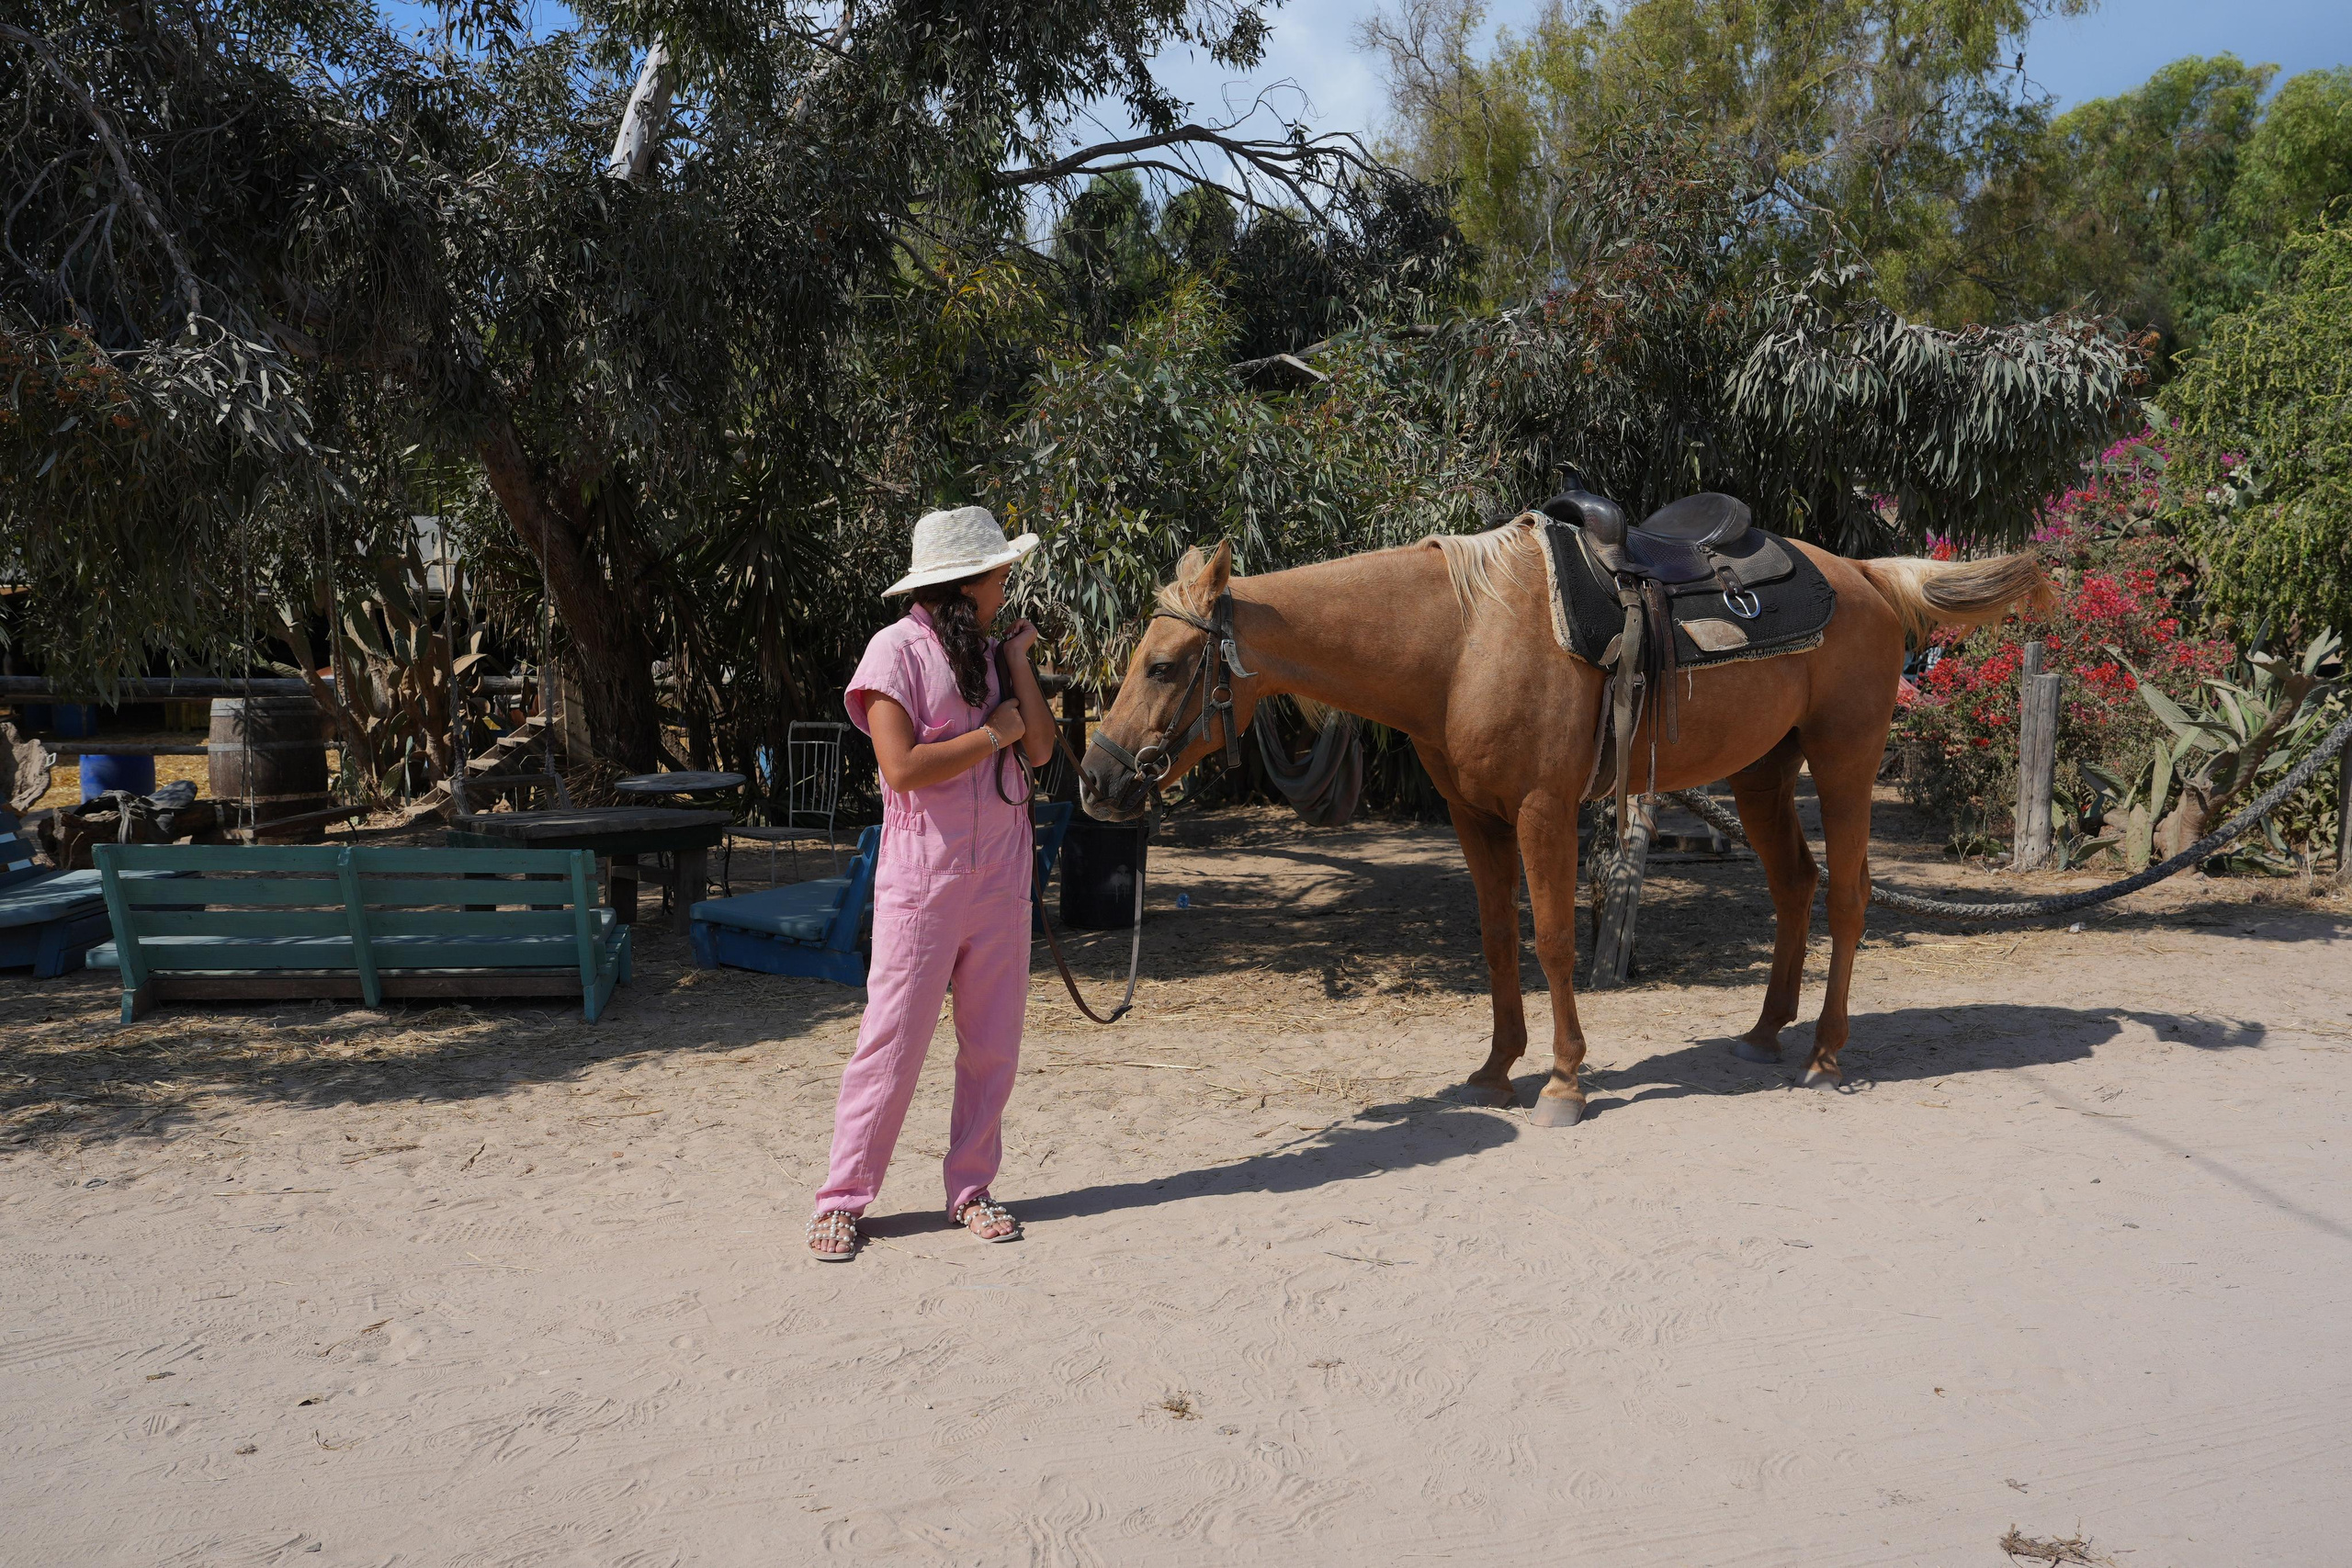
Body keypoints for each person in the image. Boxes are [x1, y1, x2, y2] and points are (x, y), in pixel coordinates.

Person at [808, 506, 1056, 1261]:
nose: (1008, 579)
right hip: (923, 882)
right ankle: (844, 1198)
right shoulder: (895, 653)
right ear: (967, 582)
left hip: (1001, 876)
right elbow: (901, 767)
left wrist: (1017, 663)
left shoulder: (990, 654)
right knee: (891, 1043)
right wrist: (990, 736)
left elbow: (1040, 748)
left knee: (993, 1044)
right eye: (999, 571)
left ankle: (972, 1189)